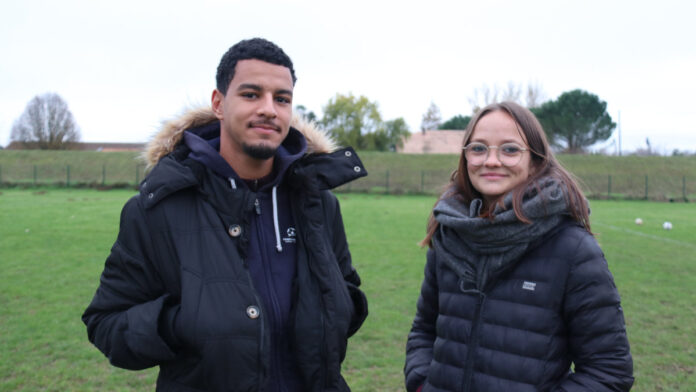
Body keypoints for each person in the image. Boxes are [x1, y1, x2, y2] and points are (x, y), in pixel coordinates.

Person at [82, 38, 368, 391]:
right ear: (218, 103)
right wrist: (180, 323)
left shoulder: (317, 202)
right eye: (251, 94)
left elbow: (347, 290)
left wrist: (336, 307)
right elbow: (106, 322)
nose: (269, 109)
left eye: (282, 99)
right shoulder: (158, 207)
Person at [404, 102, 633, 391]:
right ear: (465, 157)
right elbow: (424, 330)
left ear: (536, 161)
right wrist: (422, 384)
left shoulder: (573, 249)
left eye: (510, 149)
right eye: (478, 148)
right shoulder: (449, 233)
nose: (491, 160)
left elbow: (608, 370)